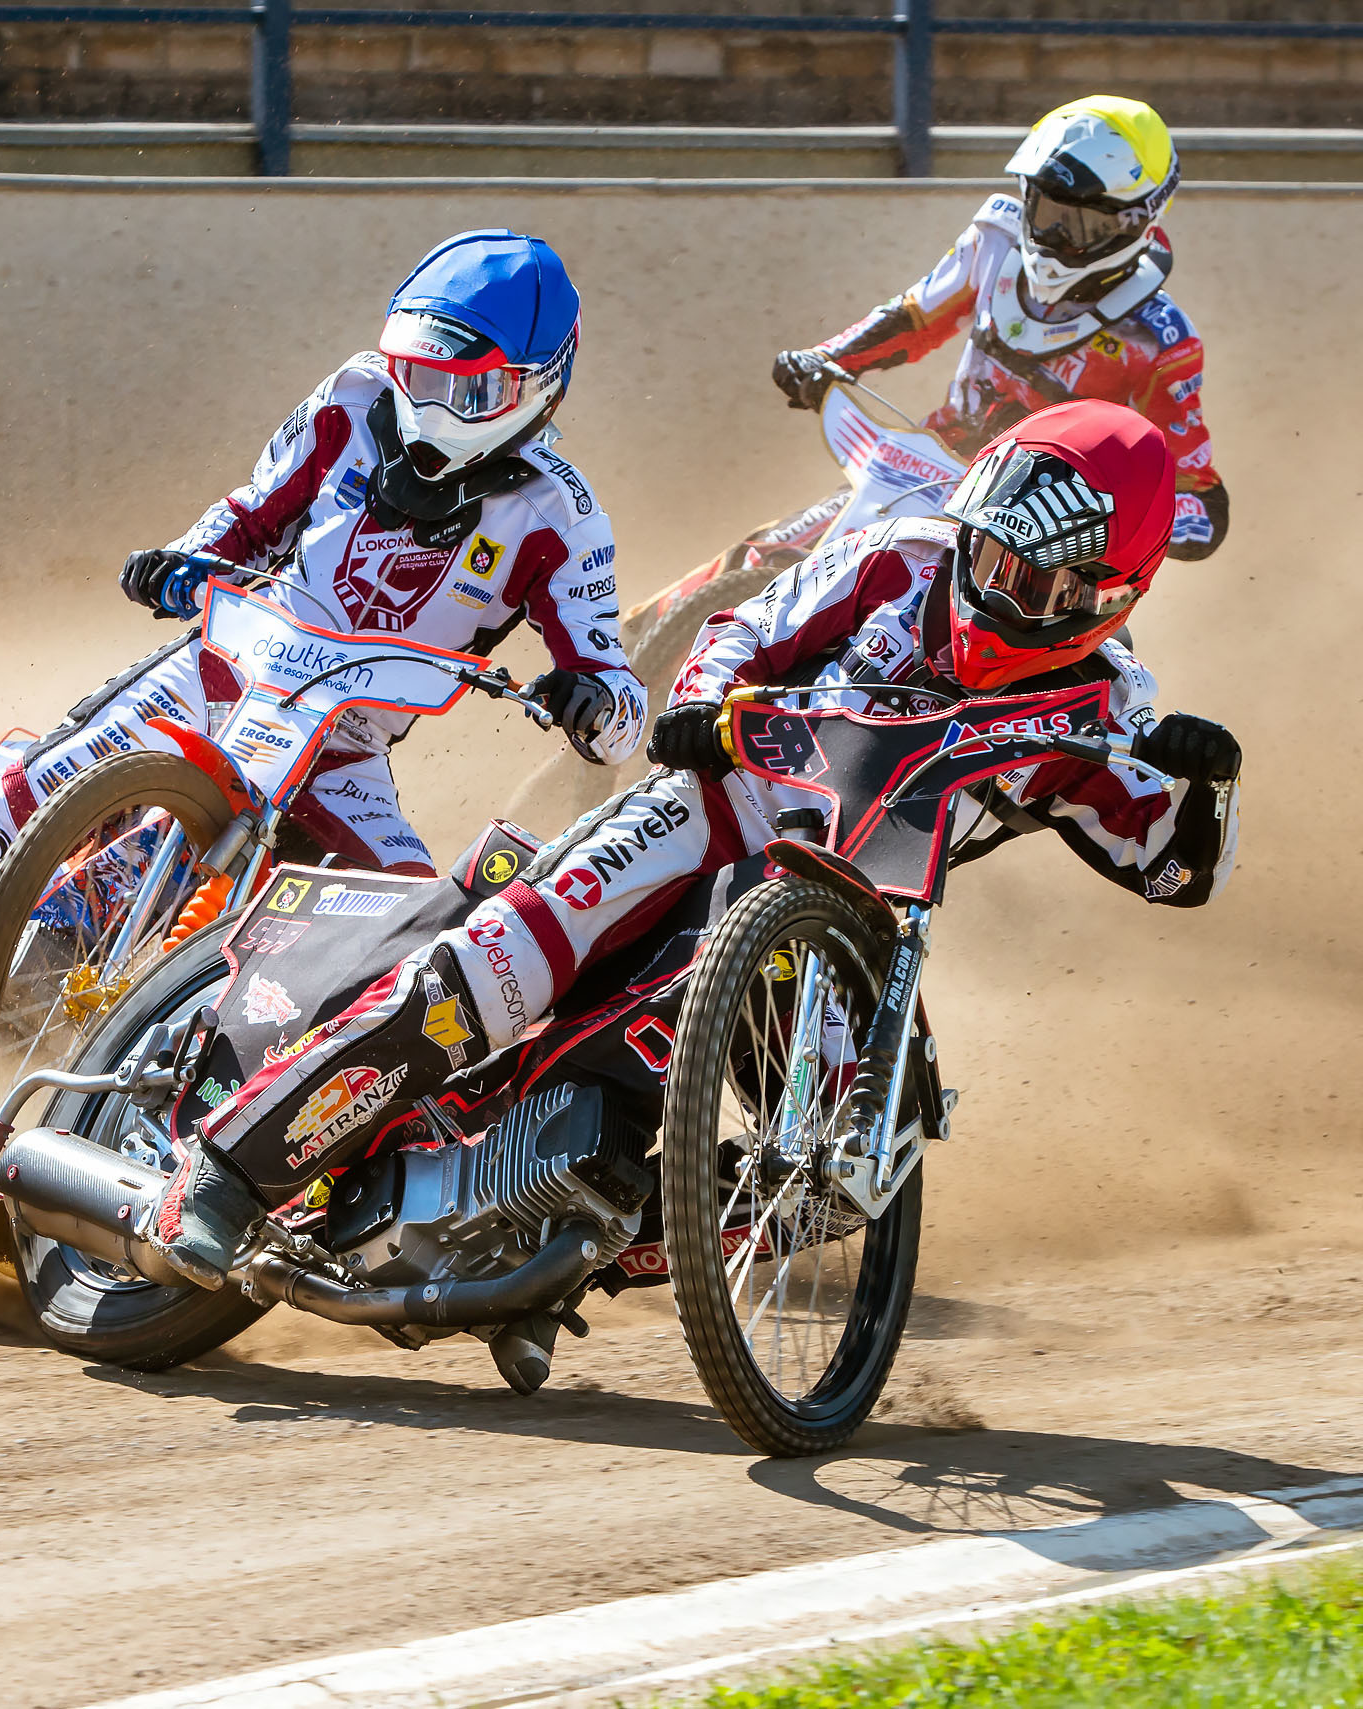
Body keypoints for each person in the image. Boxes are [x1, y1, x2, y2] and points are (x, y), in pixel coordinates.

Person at [144, 398, 1242, 1287]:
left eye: (1037, 586)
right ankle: (226, 1171)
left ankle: (594, 1241)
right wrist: (702, 702)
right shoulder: (905, 553)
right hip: (725, 800)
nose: (994, 590)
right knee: (501, 959)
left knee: (857, 1155)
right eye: (990, 557)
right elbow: (747, 625)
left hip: (852, 917)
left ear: (1111, 596)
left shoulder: (1108, 707)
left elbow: (1175, 867)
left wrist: (1205, 787)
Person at [0, 230, 648, 1015]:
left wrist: (589, 701)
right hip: (223, 672)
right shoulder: (355, 397)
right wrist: (180, 561)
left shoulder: (563, 517)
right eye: (417, 373)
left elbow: (620, 708)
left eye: (465, 391)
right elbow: (253, 511)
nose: (429, 408)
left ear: (537, 383)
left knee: (413, 952)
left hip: (347, 751)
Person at [771, 95, 1229, 562]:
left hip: (1026, 534)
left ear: (1137, 220)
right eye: (1048, 213)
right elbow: (914, 318)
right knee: (772, 551)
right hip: (926, 466)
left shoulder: (1156, 340)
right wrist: (825, 358)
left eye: (1082, 225)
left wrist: (1100, 513)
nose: (1056, 239)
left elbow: (1202, 505)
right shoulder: (995, 242)